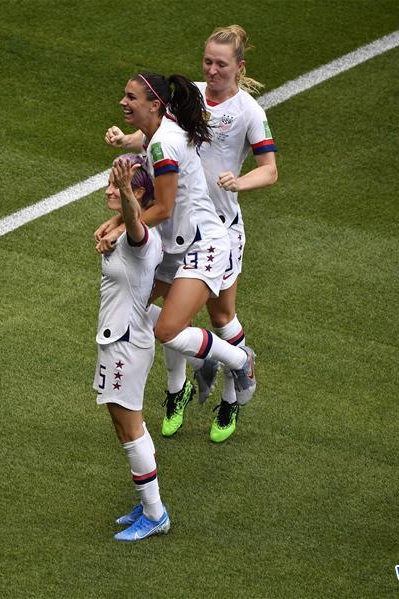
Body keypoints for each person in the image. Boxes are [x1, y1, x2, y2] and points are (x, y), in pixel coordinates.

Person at [101, 26, 277, 442]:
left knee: (216, 317)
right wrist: (125, 139)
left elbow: (269, 170)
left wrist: (238, 182)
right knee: (144, 310)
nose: (212, 70)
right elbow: (154, 134)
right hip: (175, 227)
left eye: (221, 64)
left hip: (212, 230)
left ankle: (235, 372)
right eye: (207, 62)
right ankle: (184, 382)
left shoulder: (248, 111)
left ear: (239, 67)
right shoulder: (186, 100)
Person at [94, 153, 169, 541]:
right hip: (120, 338)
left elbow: (136, 223)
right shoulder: (124, 234)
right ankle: (148, 502)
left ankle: (155, 514)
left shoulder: (140, 237)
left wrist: (125, 195)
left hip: (124, 343)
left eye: (118, 184)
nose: (109, 189)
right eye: (110, 183)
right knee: (124, 426)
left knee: (130, 429)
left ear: (138, 192)